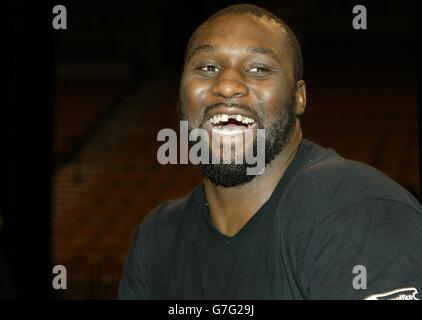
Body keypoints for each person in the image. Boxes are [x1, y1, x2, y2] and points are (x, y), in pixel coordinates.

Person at [119, 4, 422, 300]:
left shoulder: (356, 211)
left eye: (259, 69)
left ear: (299, 97)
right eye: (207, 67)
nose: (226, 85)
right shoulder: (157, 237)